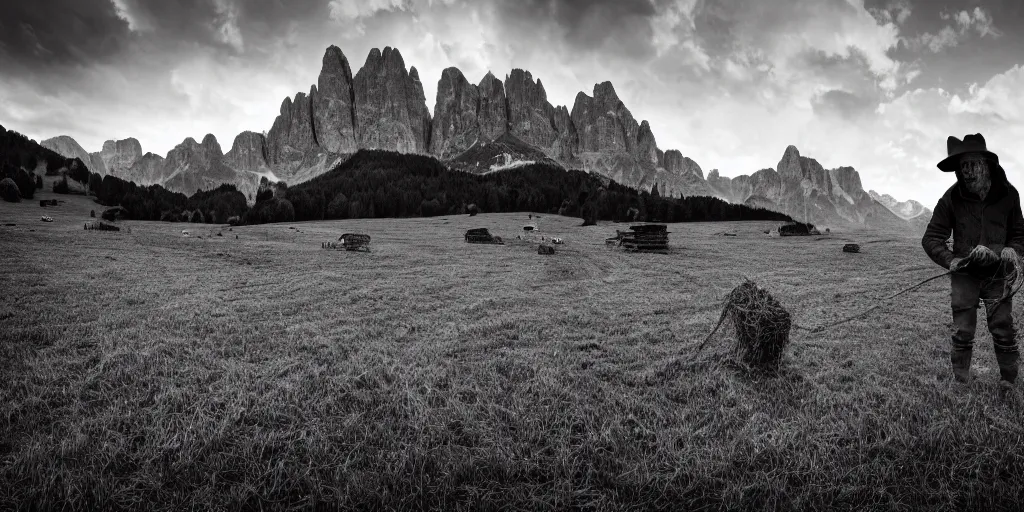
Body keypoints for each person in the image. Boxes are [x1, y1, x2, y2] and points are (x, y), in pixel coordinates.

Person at [921, 133, 1024, 389]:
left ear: (987, 165)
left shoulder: (1009, 195)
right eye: (962, 167)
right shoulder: (951, 198)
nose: (967, 172)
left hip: (998, 273)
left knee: (1002, 325)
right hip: (965, 272)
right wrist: (951, 260)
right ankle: (961, 379)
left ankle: (1008, 379)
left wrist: (1011, 251)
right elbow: (932, 237)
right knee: (962, 330)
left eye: (972, 165)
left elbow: (1019, 234)